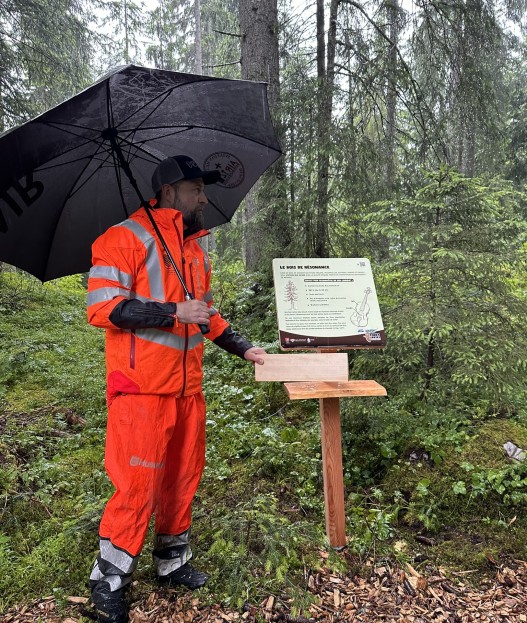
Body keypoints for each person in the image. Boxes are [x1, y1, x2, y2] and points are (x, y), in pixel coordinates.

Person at [86, 154, 266, 623]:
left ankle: (172, 562)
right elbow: (103, 308)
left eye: (203, 191)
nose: (204, 198)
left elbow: (204, 313)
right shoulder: (121, 238)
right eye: (195, 190)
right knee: (137, 486)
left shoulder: (193, 248)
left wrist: (244, 348)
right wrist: (171, 312)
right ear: (168, 193)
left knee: (181, 479)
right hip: (141, 390)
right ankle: (108, 580)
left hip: (187, 389)